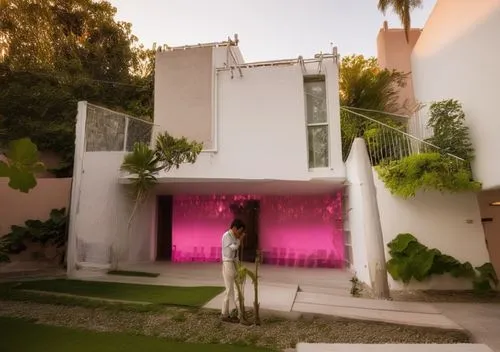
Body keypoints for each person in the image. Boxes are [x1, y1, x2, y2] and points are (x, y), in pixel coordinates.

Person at [220, 218, 246, 322]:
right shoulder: (227, 236)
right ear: (234, 228)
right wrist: (240, 240)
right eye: (240, 231)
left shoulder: (234, 236)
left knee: (237, 289)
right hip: (228, 263)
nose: (240, 234)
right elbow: (233, 248)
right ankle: (224, 314)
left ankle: (240, 313)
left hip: (234, 263)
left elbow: (236, 255)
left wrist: (239, 267)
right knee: (229, 290)